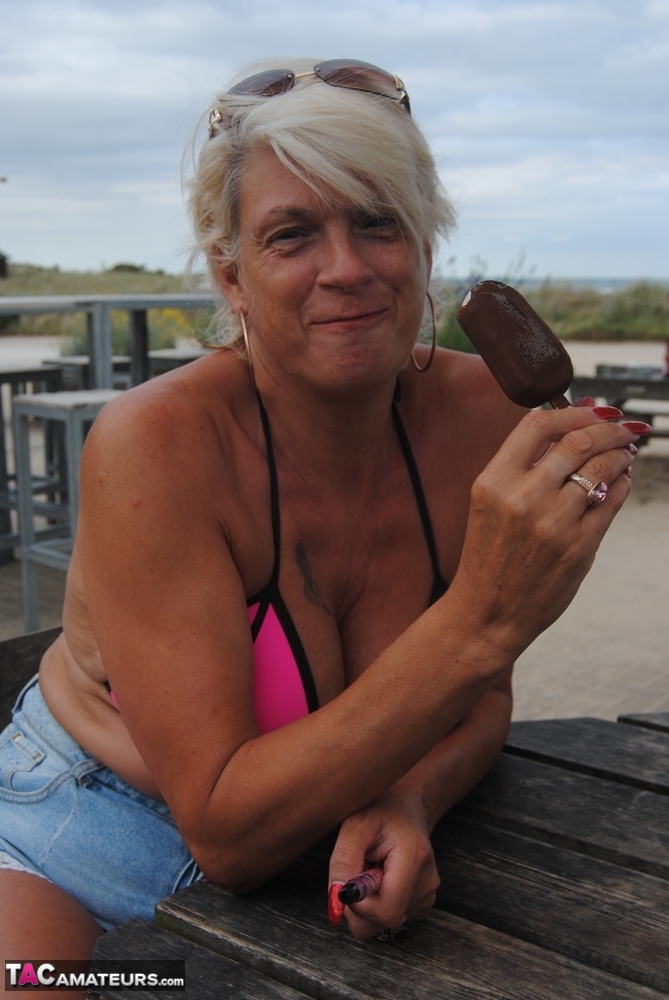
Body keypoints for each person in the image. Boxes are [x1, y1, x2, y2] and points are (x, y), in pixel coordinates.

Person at [0, 58, 644, 980]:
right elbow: (225, 832)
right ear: (231, 276)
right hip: (85, 837)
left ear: (425, 248)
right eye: (291, 234)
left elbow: (478, 701)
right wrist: (484, 618)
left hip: (334, 851)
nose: (345, 268)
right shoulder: (157, 444)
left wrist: (409, 797)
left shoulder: (481, 415)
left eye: (377, 222)